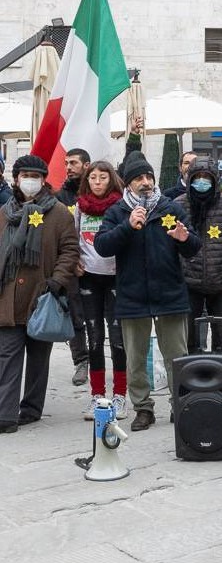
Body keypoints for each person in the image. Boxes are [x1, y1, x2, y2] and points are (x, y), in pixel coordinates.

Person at [94, 155, 200, 431]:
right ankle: (143, 408)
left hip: (170, 294)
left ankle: (182, 404)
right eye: (139, 178)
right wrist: (128, 226)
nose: (146, 183)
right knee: (136, 358)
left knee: (177, 355)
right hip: (132, 296)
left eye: (149, 177)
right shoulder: (118, 211)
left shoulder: (169, 208)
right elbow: (103, 246)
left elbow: (194, 245)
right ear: (128, 184)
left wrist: (184, 239)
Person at [0, 155, 79, 433]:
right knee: (8, 354)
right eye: (25, 175)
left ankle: (31, 408)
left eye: (35, 176)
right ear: (16, 179)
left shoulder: (58, 213)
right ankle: (5, 415)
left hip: (42, 295)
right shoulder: (5, 212)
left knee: (38, 356)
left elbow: (70, 250)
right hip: (7, 296)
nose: (30, 181)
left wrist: (57, 280)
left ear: (44, 180)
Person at [74, 160, 127, 418]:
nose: (97, 182)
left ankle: (120, 395)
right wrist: (74, 261)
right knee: (94, 339)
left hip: (116, 278)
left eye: (102, 178)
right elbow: (72, 241)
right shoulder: (80, 208)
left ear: (111, 180)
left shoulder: (121, 207)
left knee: (118, 340)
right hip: (89, 279)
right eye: (93, 177)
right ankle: (97, 396)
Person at [174, 158, 222, 356]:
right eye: (198, 178)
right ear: (190, 180)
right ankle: (192, 372)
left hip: (220, 281)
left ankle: (221, 371)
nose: (202, 182)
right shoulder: (178, 206)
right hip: (189, 281)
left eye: (207, 177)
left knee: (221, 334)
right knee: (189, 335)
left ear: (215, 180)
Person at [55, 147, 91, 386]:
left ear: (86, 165)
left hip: (99, 266)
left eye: (74, 163)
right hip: (72, 268)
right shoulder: (60, 197)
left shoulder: (98, 194)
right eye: (66, 163)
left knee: (99, 318)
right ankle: (81, 361)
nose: (68, 167)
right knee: (76, 317)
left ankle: (101, 359)